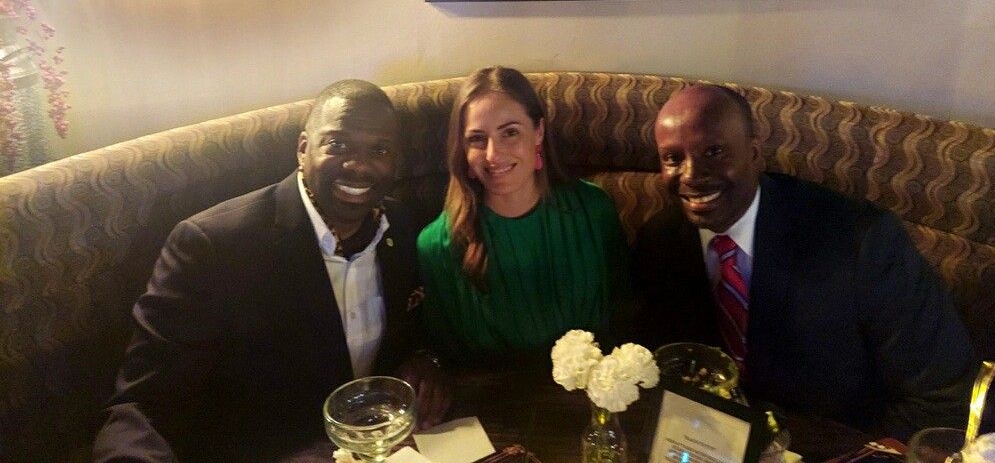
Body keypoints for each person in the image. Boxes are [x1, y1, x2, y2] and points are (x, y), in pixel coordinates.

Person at [93, 80, 450, 463]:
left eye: (379, 150)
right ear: (302, 149)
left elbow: (415, 332)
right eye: (337, 145)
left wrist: (427, 361)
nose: (358, 165)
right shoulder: (212, 247)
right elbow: (142, 407)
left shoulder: (399, 224)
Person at [635, 84, 975, 439]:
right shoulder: (661, 242)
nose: (690, 174)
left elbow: (944, 400)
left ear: (754, 153)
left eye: (714, 151)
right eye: (673, 158)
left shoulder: (862, 242)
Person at [417, 66, 630, 367]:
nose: (493, 154)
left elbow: (627, 313)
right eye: (477, 139)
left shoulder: (594, 210)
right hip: (494, 407)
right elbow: (448, 360)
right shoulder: (436, 246)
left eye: (510, 132)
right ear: (462, 150)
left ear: (539, 131)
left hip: (595, 399)